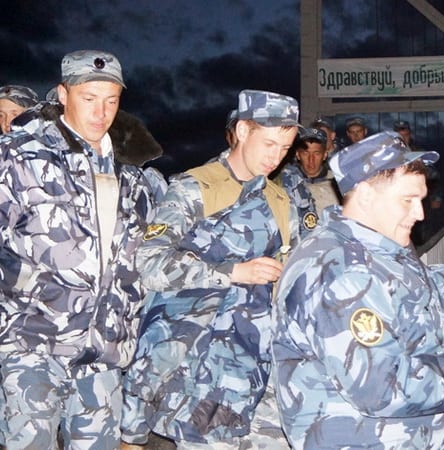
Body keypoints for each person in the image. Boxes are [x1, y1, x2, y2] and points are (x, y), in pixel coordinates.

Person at [271, 131, 444, 448]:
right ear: (366, 195)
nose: (420, 214)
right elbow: (382, 388)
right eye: (408, 200)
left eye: (421, 200)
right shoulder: (341, 273)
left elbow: (393, 293)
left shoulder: (368, 247)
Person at [121, 89, 303, 450]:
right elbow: (150, 264)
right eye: (269, 144)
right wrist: (233, 272)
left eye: (285, 148)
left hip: (259, 371)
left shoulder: (281, 201)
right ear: (242, 131)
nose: (276, 157)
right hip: (197, 374)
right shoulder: (195, 188)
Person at [0, 49, 164, 449]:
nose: (101, 112)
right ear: (63, 95)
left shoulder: (134, 176)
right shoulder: (19, 158)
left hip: (104, 354)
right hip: (32, 344)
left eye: (111, 100)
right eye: (88, 98)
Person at [282, 127, 341, 212]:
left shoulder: (338, 183)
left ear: (325, 155)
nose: (311, 160)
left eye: (316, 153)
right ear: (297, 154)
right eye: (305, 153)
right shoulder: (285, 181)